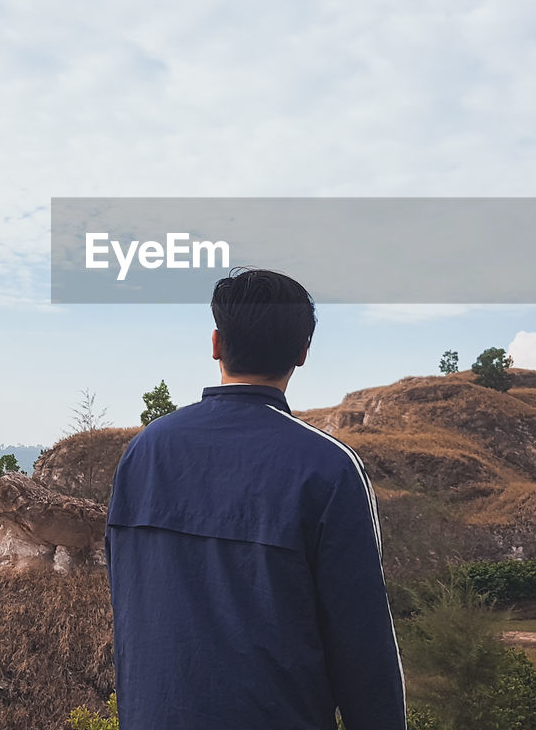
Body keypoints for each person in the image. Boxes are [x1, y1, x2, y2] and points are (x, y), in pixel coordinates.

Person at [105, 268, 407, 730]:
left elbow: (129, 597)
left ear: (216, 344)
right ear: (303, 352)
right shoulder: (327, 468)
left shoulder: (146, 450)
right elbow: (364, 651)